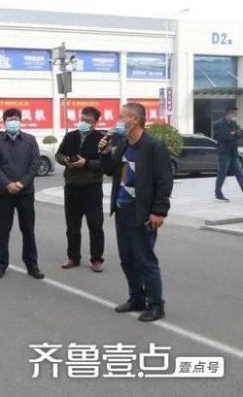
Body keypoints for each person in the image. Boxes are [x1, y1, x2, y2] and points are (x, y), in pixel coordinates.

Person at [99, 103, 172, 322]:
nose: (118, 121)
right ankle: (136, 298)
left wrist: (159, 211)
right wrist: (104, 153)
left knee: (145, 259)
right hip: (122, 209)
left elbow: (164, 181)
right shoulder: (122, 144)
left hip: (142, 211)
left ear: (136, 120)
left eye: (123, 117)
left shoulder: (153, 146)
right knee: (127, 259)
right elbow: (112, 171)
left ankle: (156, 305)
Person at [0, 108, 44, 280]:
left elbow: (35, 164)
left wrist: (21, 183)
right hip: (4, 193)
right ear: (4, 122)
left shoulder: (30, 140)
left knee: (28, 229)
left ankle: (32, 265)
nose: (13, 122)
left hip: (25, 192)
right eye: (9, 119)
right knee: (3, 230)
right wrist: (8, 184)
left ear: (20, 121)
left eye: (15, 119)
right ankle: (1, 264)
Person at [55, 106, 105, 272]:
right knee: (72, 226)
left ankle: (96, 259)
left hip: (92, 188)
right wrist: (64, 160)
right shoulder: (70, 136)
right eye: (82, 119)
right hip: (72, 187)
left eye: (88, 121)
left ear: (95, 123)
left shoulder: (101, 139)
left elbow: (106, 163)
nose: (83, 123)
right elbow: (59, 154)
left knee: (95, 225)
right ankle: (73, 257)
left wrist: (87, 163)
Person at [213, 106, 243, 202]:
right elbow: (227, 137)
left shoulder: (233, 123)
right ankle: (218, 195)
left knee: (240, 173)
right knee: (222, 174)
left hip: (234, 153)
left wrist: (235, 133)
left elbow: (241, 133)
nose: (236, 116)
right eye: (235, 114)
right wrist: (235, 134)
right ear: (229, 113)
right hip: (224, 153)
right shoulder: (220, 123)